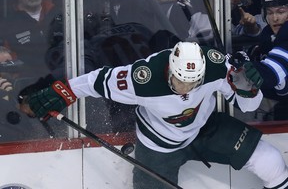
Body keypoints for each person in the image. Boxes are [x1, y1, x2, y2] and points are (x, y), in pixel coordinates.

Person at [19, 41, 288, 189]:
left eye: (195, 83)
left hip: (204, 128)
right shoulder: (141, 79)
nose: (187, 90)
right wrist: (59, 93)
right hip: (157, 146)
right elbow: (94, 80)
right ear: (170, 68)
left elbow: (251, 107)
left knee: (271, 160)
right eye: (182, 81)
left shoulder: (217, 66)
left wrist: (249, 89)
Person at [0, 0, 63, 79]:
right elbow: (6, 65)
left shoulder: (61, 15)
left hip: (63, 83)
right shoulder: (6, 26)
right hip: (27, 87)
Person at [247, 0, 288, 120]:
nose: (274, 18)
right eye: (270, 12)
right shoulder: (269, 38)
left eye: (281, 12)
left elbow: (268, 75)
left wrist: (240, 66)